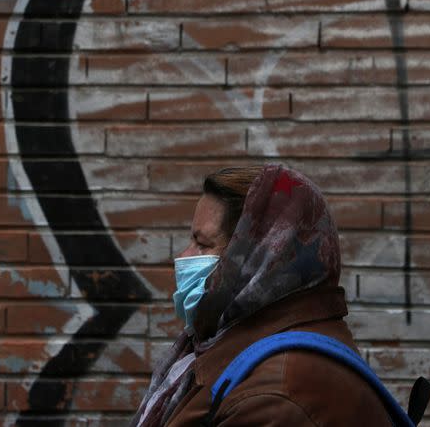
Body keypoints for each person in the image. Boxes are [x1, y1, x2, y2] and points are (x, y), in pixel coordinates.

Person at [131, 163, 392, 426]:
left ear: (259, 259)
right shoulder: (235, 351)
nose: (182, 257)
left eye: (203, 244)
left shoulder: (272, 398)